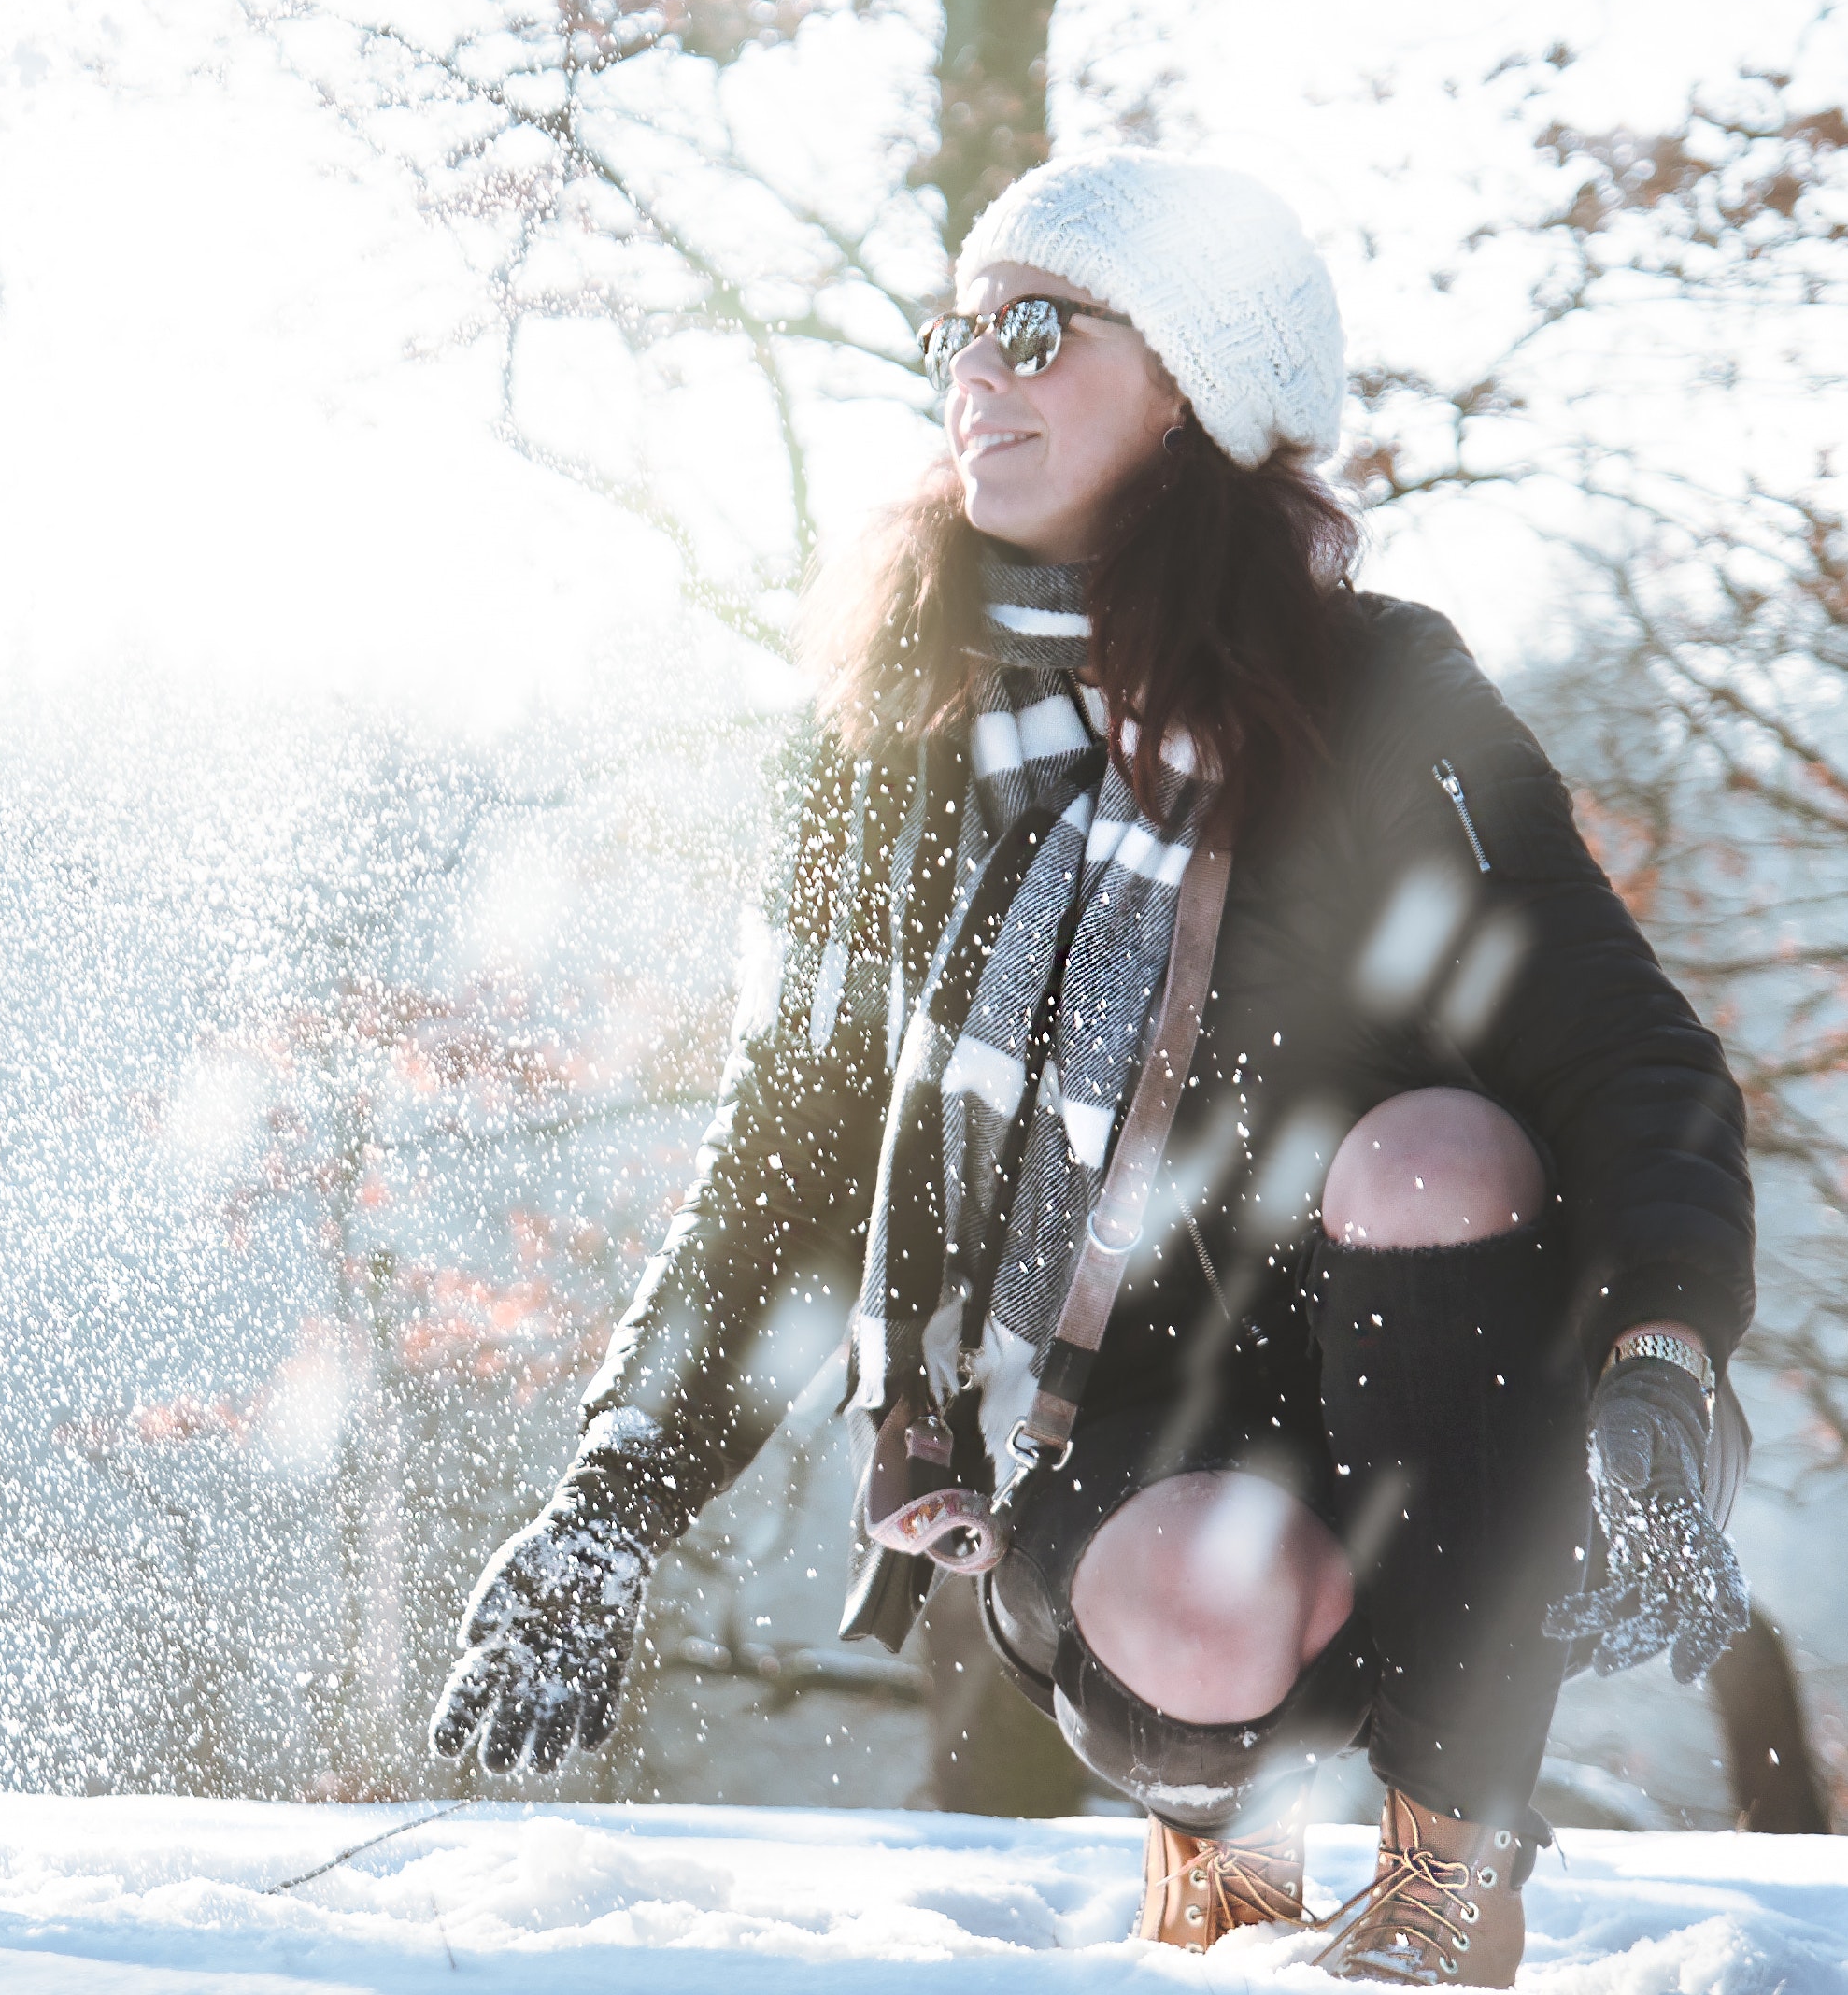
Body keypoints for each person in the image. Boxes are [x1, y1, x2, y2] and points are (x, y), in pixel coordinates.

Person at [425, 150, 1755, 1985]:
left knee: (1438, 1149)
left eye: (1037, 330)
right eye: (957, 333)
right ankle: (1224, 1852)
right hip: (1107, 1428)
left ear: (1203, 381)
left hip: (1435, 1410)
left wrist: (1663, 1378)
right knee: (1207, 1615)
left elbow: (1631, 1058)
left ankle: (1452, 1884)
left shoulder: (1380, 696)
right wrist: (610, 1507)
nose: (978, 372)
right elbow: (787, 1157)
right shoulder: (890, 733)